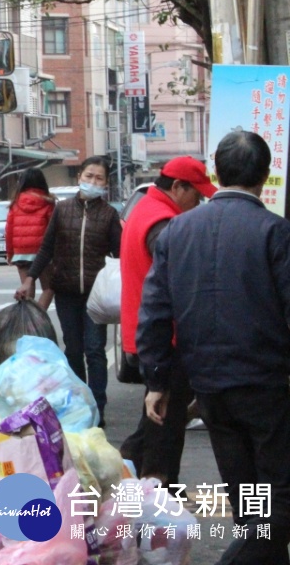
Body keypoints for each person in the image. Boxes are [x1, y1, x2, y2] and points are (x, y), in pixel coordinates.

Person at [138, 131, 290, 563]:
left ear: (216, 172)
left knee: (248, 496)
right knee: (278, 499)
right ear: (265, 176)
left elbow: (154, 311)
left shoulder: (178, 231)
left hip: (207, 384)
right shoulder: (274, 232)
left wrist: (157, 381)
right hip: (263, 382)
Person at [117, 157, 214, 486]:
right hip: (164, 338)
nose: (198, 203)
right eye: (196, 195)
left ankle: (126, 477)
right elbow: (178, 286)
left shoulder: (146, 211)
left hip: (146, 334)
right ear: (177, 187)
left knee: (158, 420)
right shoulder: (163, 224)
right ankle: (156, 495)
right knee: (164, 426)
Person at [15, 155, 120, 421]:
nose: (92, 182)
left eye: (99, 178)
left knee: (95, 351)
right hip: (66, 292)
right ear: (79, 177)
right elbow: (46, 248)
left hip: (96, 298)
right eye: (89, 176)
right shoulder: (62, 210)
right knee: (73, 349)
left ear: (106, 184)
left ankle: (98, 408)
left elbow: (119, 257)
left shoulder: (109, 215)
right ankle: (80, 404)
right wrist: (30, 279)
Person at [4, 167, 56, 310]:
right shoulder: (48, 202)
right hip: (42, 253)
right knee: (49, 288)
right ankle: (39, 317)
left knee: (27, 290)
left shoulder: (15, 203)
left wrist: (10, 254)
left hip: (21, 252)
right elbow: (53, 230)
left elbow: (9, 231)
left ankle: (29, 320)